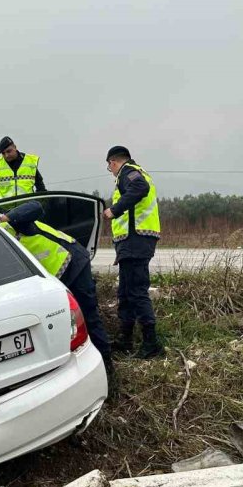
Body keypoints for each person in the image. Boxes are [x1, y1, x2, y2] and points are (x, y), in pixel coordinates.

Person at [0, 201, 116, 389]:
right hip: (56, 280)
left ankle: (108, 371)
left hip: (73, 262)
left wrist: (2, 217)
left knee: (89, 317)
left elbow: (35, 206)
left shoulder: (11, 223)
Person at [102, 146, 164, 358]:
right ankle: (125, 339)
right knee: (126, 292)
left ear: (113, 162)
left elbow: (139, 188)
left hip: (136, 238)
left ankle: (152, 344)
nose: (110, 171)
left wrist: (114, 209)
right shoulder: (134, 171)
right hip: (132, 241)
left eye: (109, 166)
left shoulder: (129, 172)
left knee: (136, 291)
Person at [0, 136, 46, 207]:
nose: (6, 155)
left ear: (15, 147)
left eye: (8, 151)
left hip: (26, 211)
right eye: (3, 153)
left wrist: (40, 205)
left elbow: (41, 188)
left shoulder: (30, 162)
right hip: (3, 212)